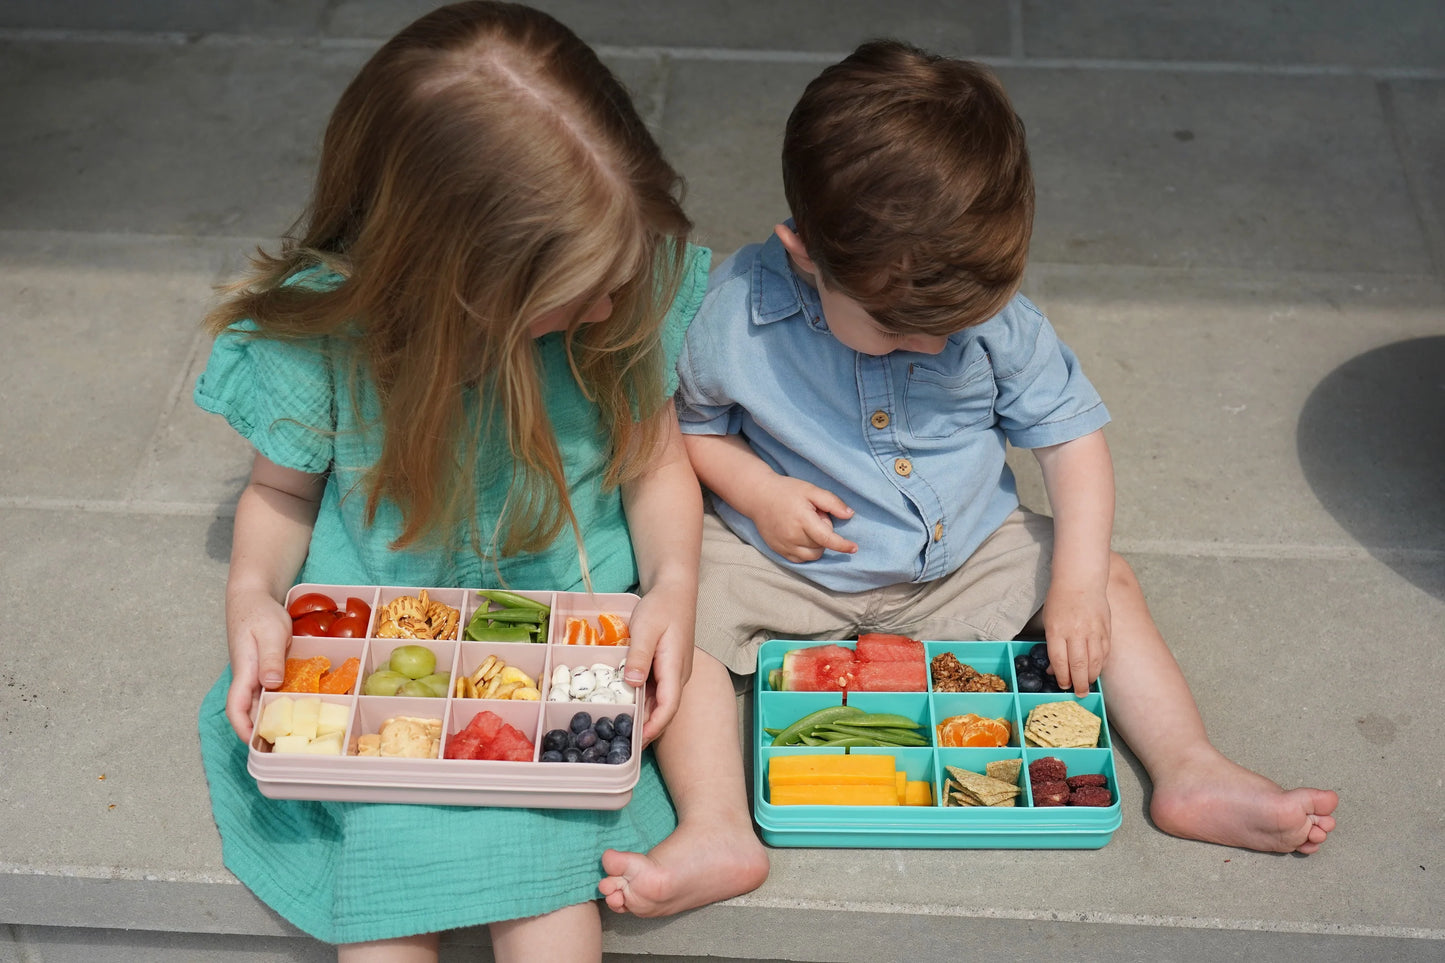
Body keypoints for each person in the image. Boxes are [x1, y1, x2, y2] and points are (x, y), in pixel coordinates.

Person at [194, 4, 764, 961]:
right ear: (458, 278)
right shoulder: (325, 341)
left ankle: (718, 824)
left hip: (569, 618)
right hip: (391, 636)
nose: (613, 302)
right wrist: (252, 591)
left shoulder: (615, 295)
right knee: (388, 907)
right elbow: (284, 494)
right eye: (580, 289)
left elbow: (656, 458)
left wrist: (672, 580)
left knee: (683, 675)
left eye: (621, 271)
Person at [674, 39, 1338, 855]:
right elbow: (688, 428)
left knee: (1104, 579)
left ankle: (1188, 767)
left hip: (960, 561)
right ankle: (714, 827)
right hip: (783, 568)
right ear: (804, 254)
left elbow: (1071, 442)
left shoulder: (990, 316)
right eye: (895, 328)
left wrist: (1077, 583)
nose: (929, 344)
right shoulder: (729, 314)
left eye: (948, 328)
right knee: (675, 606)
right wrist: (753, 490)